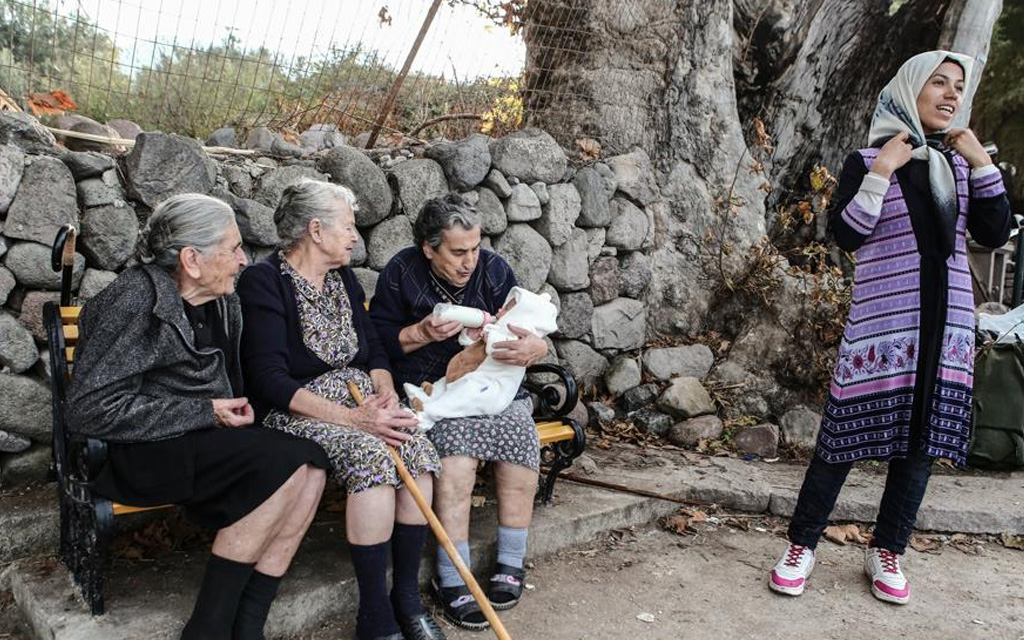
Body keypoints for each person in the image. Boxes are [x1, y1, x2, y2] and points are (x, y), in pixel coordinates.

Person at [768, 51, 1011, 605]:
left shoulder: (958, 166)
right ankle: (801, 545)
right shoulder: (865, 159)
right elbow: (849, 234)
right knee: (841, 442)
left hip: (945, 331)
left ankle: (887, 549)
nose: (951, 95)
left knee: (919, 448)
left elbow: (994, 234)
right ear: (909, 89)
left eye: (958, 87)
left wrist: (981, 163)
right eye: (939, 84)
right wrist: (881, 172)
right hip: (883, 332)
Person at [66, 193, 330, 640]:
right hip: (141, 451)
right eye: (232, 248)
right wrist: (204, 410)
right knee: (282, 466)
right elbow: (88, 410)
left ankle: (248, 625)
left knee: (311, 463)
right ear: (191, 258)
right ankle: (207, 629)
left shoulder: (220, 299)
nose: (243, 260)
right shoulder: (134, 300)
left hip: (200, 438)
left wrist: (228, 407)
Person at [235, 179, 444, 640]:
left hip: (360, 399)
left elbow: (373, 350)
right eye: (348, 227)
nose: (355, 237)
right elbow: (269, 380)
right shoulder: (264, 281)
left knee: (414, 447)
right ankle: (374, 615)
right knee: (371, 454)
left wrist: (384, 393)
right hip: (298, 411)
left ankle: (406, 601)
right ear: (315, 229)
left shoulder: (343, 278)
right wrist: (355, 419)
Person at [370, 194, 550, 631]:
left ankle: (510, 562)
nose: (470, 261)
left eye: (474, 248)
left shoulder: (494, 269)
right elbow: (375, 341)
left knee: (519, 438)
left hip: (492, 387)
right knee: (456, 456)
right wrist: (419, 332)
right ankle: (453, 578)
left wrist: (535, 347)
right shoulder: (401, 272)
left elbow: (531, 324)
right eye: (457, 252)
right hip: (432, 394)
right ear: (429, 248)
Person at [404, 286, 559, 431]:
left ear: (519, 314)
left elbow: (502, 347)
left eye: (506, 308)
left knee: (463, 393)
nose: (500, 309)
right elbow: (470, 347)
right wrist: (471, 335)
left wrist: (489, 335)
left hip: (491, 390)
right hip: (472, 374)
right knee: (449, 384)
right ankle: (426, 396)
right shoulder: (497, 327)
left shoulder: (518, 333)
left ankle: (427, 416)